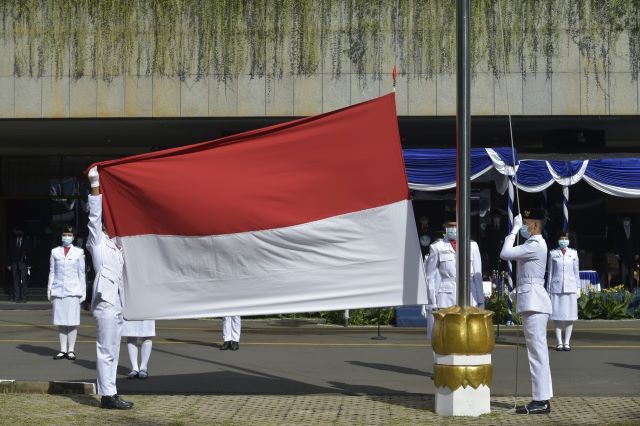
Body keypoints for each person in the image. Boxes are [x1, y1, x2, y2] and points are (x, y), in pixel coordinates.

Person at [86, 166, 134, 410]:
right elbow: (94, 217)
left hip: (118, 302)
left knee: (114, 349)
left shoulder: (118, 245)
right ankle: (107, 395)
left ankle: (112, 391)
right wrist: (95, 184)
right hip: (105, 301)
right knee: (106, 349)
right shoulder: (98, 242)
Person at [500, 208, 552, 415]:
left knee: (537, 353)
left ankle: (540, 400)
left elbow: (505, 253)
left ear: (535, 226)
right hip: (532, 300)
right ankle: (542, 398)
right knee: (538, 352)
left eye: (526, 223)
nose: (523, 226)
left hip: (535, 302)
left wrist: (512, 230)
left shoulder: (535, 244)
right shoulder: (532, 244)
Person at [423, 213, 484, 339]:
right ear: (444, 227)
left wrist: (481, 300)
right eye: (450, 226)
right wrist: (432, 301)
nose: (453, 229)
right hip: (446, 296)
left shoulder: (472, 246)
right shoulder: (437, 247)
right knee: (448, 335)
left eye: (455, 226)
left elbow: (478, 276)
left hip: (469, 294)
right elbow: (430, 277)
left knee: (468, 335)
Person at [47, 225, 86, 360]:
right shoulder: (55, 252)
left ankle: (71, 350)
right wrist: (49, 288)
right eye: (64, 235)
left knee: (72, 321)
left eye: (69, 235)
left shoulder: (79, 252)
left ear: (73, 237)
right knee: (61, 321)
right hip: (58, 290)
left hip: (73, 290)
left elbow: (81, 273)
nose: (67, 237)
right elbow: (52, 271)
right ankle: (63, 349)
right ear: (61, 236)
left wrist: (83, 291)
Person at [546, 232, 580, 352]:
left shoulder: (574, 253)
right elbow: (550, 273)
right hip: (557, 287)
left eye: (565, 239)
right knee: (557, 316)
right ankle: (559, 342)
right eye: (561, 239)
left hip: (570, 288)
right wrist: (548, 290)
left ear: (569, 240)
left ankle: (567, 342)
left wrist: (578, 289)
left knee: (569, 317)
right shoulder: (553, 253)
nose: (563, 241)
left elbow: (576, 273)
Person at [7, 227, 31, 303]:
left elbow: (30, 253)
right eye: (18, 231)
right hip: (14, 263)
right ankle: (17, 296)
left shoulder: (26, 241)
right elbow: (9, 253)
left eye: (20, 231)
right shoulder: (13, 241)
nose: (19, 233)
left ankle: (24, 297)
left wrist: (29, 264)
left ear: (23, 233)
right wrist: (8, 264)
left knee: (24, 280)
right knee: (15, 280)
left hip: (23, 263)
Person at [616, 216, 639, 291]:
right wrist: (616, 253)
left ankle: (631, 288)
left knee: (631, 272)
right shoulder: (619, 230)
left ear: (630, 221)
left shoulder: (633, 230)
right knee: (623, 272)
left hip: (632, 254)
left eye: (627, 220)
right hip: (623, 255)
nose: (626, 222)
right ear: (623, 222)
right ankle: (623, 289)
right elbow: (616, 242)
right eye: (625, 221)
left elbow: (637, 241)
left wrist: (637, 253)